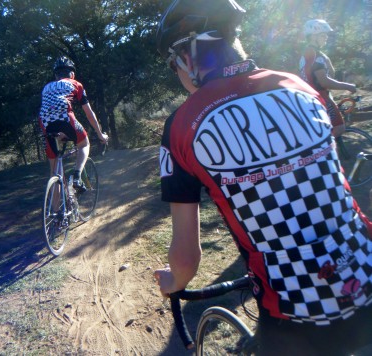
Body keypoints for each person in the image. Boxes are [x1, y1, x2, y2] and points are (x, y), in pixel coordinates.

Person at [153, 1, 372, 355]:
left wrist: (171, 281)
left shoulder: (182, 125)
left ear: (189, 57)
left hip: (296, 310)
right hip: (366, 264)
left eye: (172, 63)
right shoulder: (297, 85)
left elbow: (185, 262)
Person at [39, 56, 108, 190]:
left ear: (56, 75)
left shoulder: (46, 88)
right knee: (84, 144)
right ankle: (77, 176)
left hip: (45, 124)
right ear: (72, 74)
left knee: (54, 172)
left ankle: (55, 210)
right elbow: (89, 113)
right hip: (65, 118)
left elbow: (50, 110)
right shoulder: (75, 84)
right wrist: (100, 135)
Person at [299, 19, 357, 138]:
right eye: (323, 35)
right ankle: (324, 152)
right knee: (339, 127)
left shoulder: (311, 52)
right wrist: (348, 86)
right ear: (314, 37)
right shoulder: (315, 54)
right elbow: (323, 81)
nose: (326, 37)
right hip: (320, 96)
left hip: (313, 96)